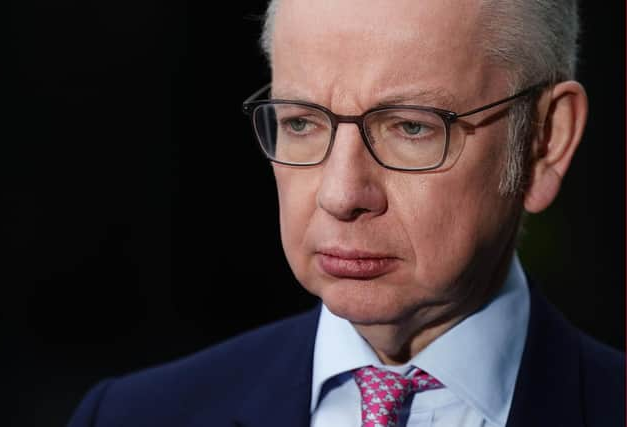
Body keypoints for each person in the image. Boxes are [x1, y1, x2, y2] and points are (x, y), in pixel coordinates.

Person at [68, 0, 624, 426]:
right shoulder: (132, 414)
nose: (340, 194)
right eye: (302, 123)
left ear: (545, 141)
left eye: (412, 127)